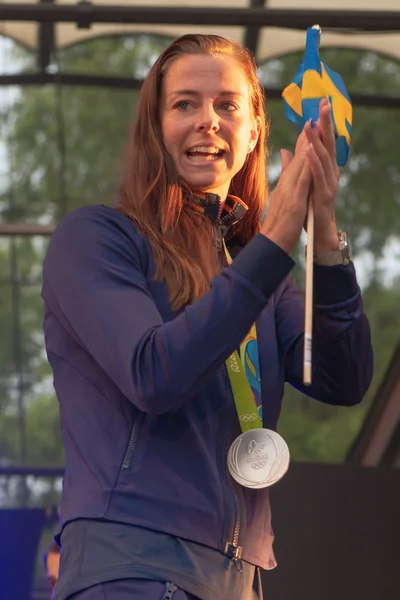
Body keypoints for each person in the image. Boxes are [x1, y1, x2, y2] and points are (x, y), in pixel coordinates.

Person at [41, 34, 373, 600]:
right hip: (133, 564)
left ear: (253, 133)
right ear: (155, 127)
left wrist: (323, 234)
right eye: (184, 104)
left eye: (227, 105)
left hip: (239, 576)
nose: (208, 121)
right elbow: (153, 374)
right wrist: (273, 245)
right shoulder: (98, 239)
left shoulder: (256, 268)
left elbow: (342, 377)